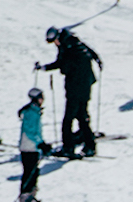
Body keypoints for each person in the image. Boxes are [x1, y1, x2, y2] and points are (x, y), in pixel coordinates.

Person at [39, 25, 101, 158]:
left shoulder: (68, 48)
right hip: (85, 86)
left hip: (75, 89)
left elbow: (63, 65)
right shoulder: (73, 42)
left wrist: (48, 68)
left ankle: (68, 148)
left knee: (68, 120)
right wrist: (97, 59)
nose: (55, 44)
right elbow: (89, 53)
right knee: (82, 116)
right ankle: (90, 146)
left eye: (54, 41)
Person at [14, 87, 46, 202]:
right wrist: (41, 143)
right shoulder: (31, 113)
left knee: (34, 172)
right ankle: (24, 199)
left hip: (32, 147)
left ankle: (30, 196)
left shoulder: (34, 111)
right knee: (30, 172)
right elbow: (31, 131)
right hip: (29, 147)